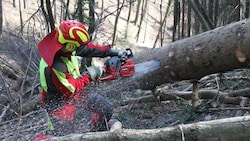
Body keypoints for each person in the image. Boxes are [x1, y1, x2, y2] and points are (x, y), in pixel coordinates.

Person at [37, 20, 127, 136]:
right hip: (58, 102)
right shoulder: (56, 64)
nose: (79, 50)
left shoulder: (64, 46)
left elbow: (88, 49)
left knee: (106, 108)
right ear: (70, 46)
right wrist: (90, 75)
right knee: (65, 136)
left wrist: (112, 52)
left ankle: (96, 132)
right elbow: (71, 88)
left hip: (74, 92)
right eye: (76, 47)